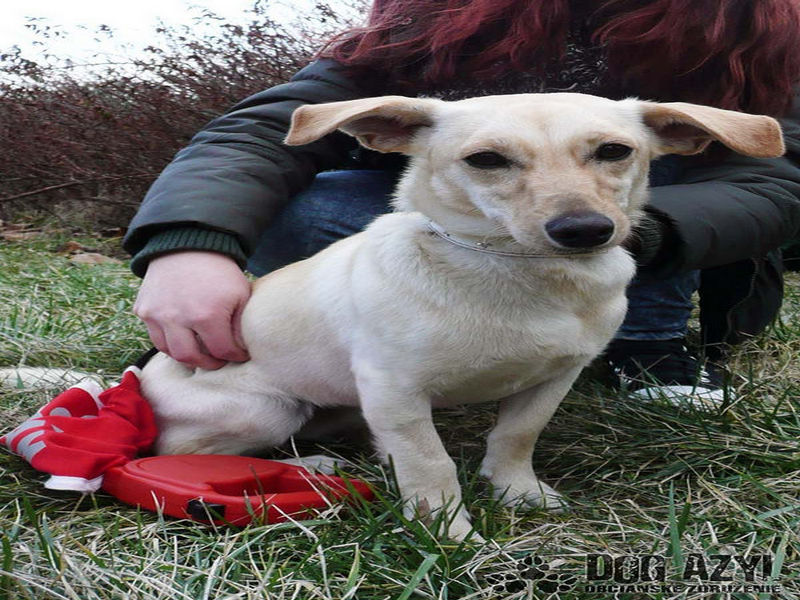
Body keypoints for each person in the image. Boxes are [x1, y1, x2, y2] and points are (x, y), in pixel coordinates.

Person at [124, 0, 800, 404]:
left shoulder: (756, 36)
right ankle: (413, 341)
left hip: (645, 239)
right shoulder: (435, 24)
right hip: (462, 235)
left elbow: (773, 181)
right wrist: (191, 243)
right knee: (312, 205)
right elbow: (262, 133)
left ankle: (646, 345)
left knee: (629, 167)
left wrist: (634, 232)